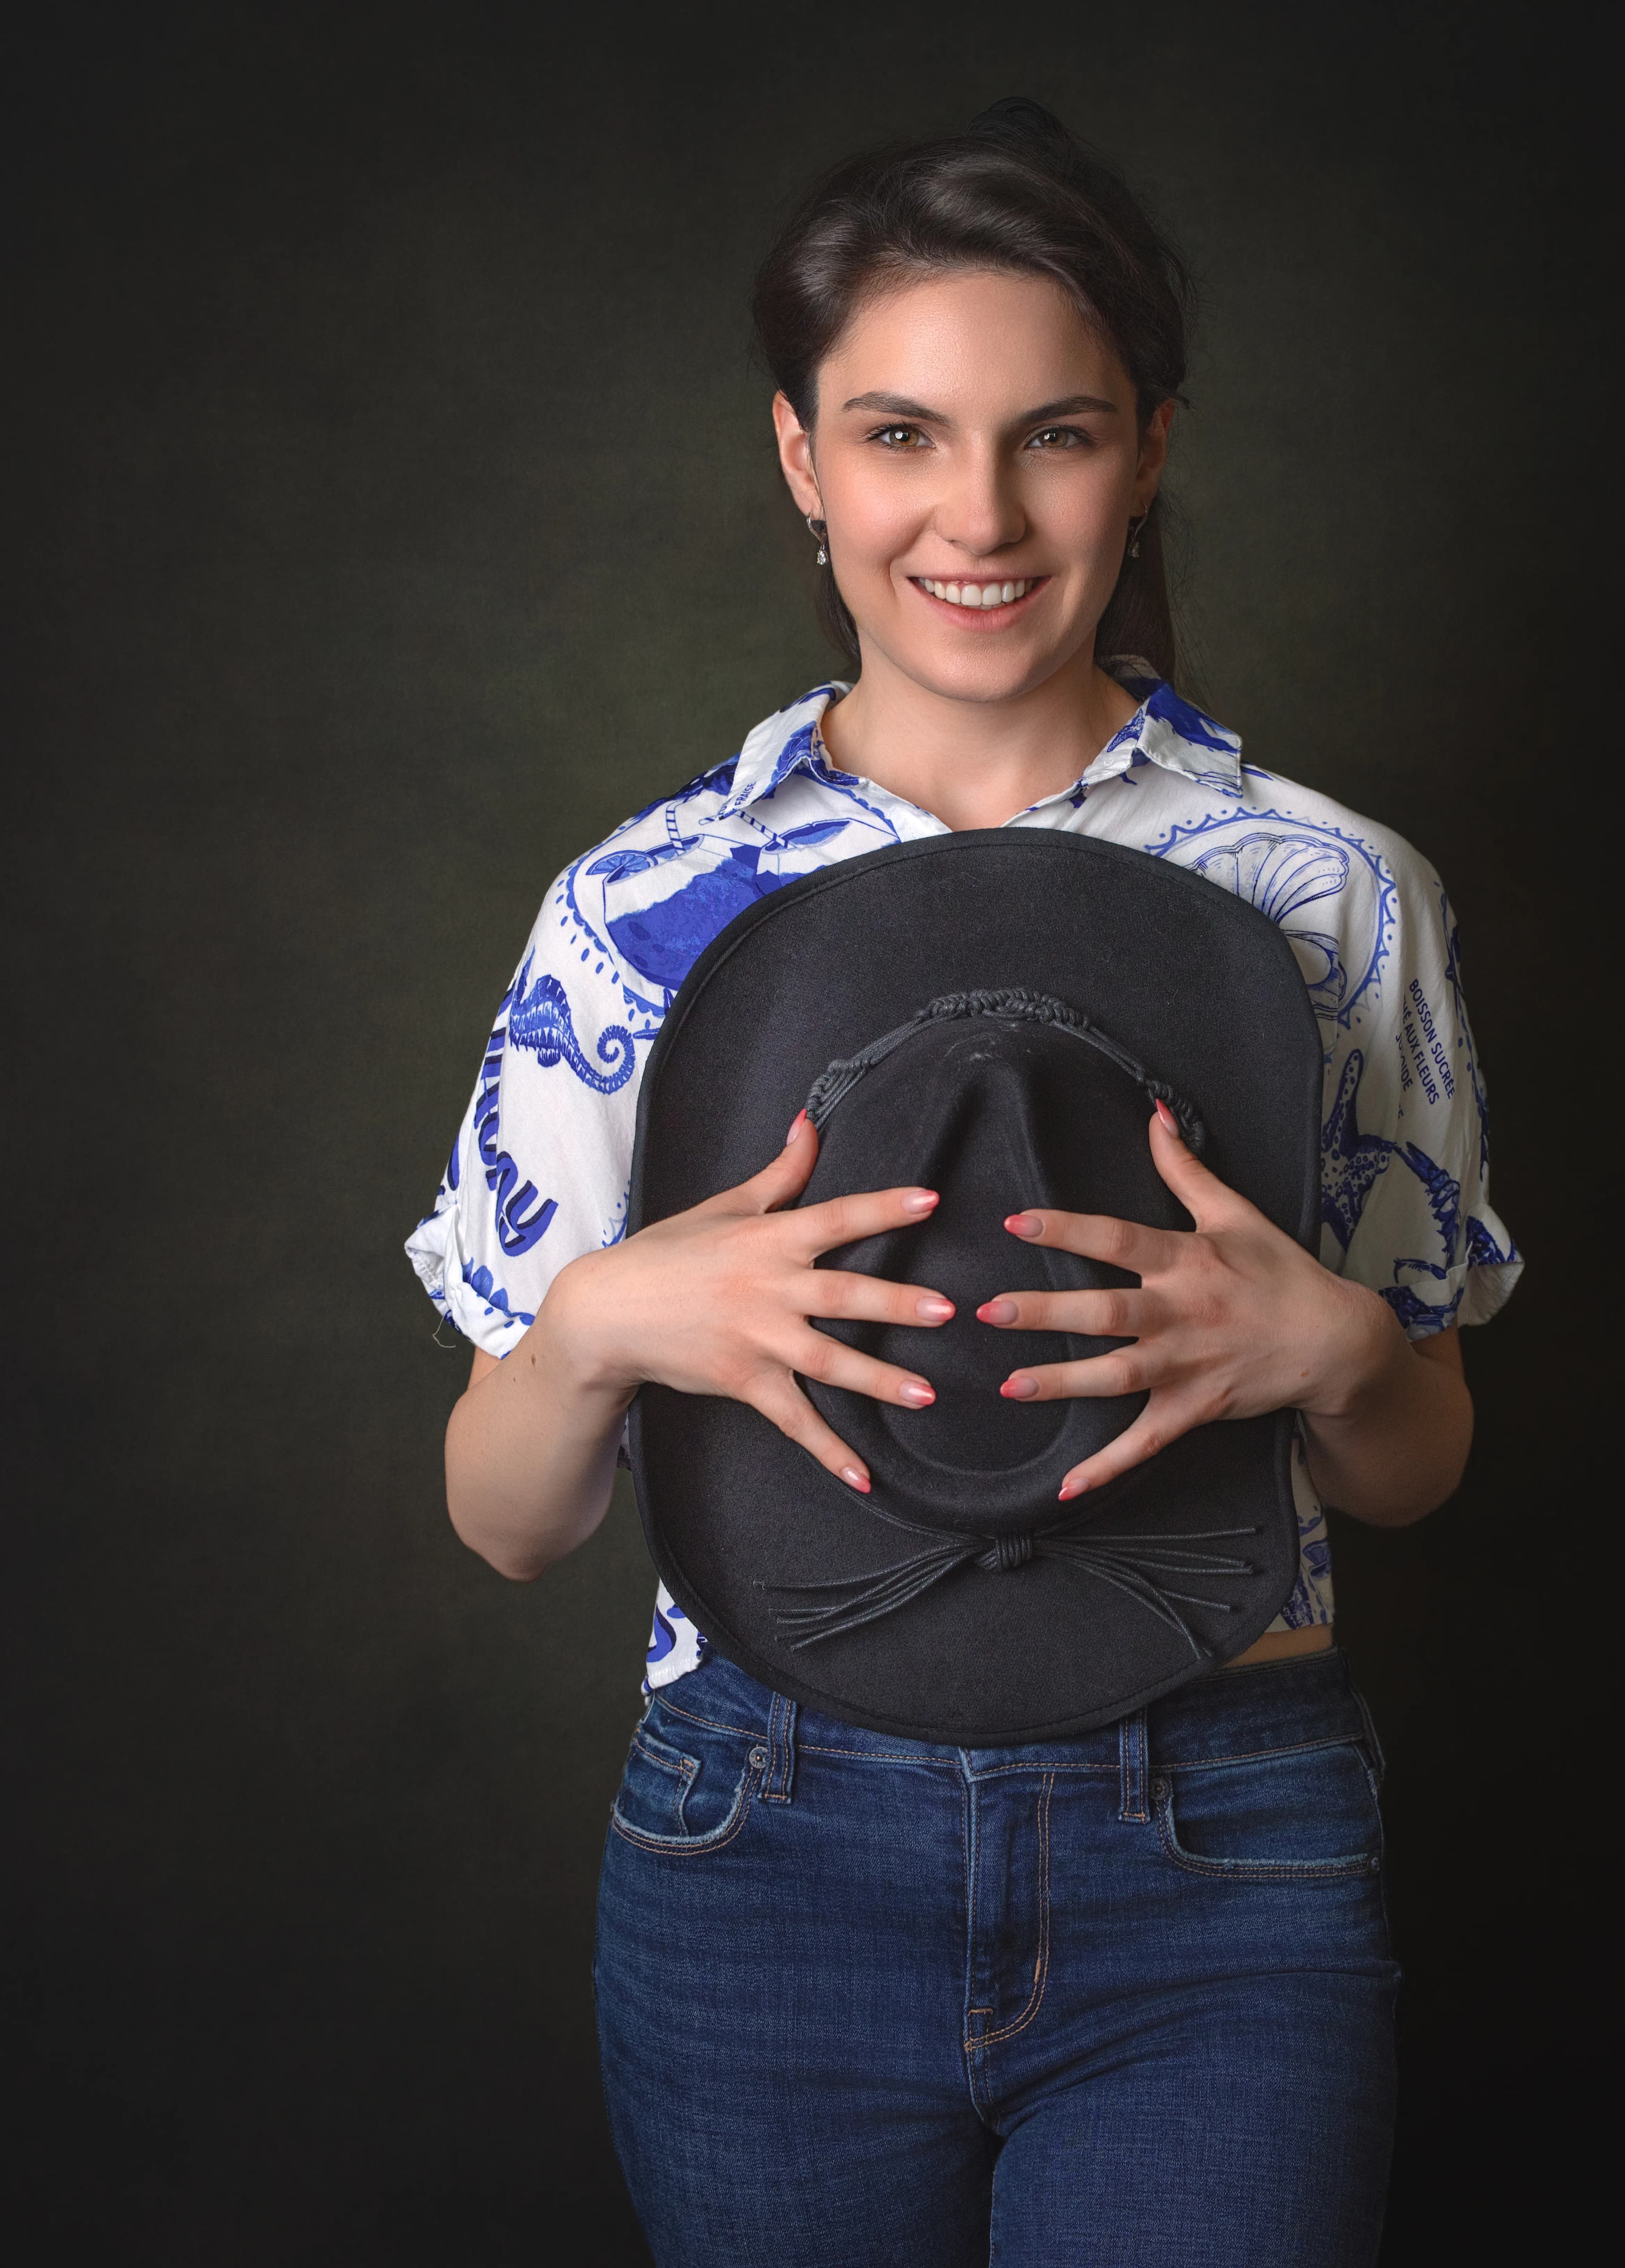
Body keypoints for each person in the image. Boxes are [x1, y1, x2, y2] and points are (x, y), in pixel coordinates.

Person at [406, 98, 1519, 2268]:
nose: (979, 514)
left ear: (1154, 450)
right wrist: (602, 1327)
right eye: (902, 436)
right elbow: (505, 1520)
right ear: (806, 460)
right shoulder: (641, 909)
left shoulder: (1332, 895)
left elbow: (1409, 1472)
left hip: (1226, 1838)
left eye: (1058, 435)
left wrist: (1338, 1348)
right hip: (763, 1850)